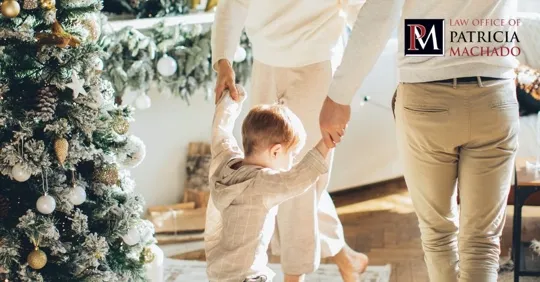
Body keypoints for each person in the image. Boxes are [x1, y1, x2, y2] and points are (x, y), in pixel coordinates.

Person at [321, 0, 519, 281]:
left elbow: (380, 13)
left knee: (438, 235)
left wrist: (339, 95)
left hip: (426, 91)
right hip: (494, 93)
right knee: (482, 243)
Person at [210, 1, 369, 281]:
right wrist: (223, 61)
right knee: (265, 172)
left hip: (316, 66)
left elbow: (364, 14)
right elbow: (233, 4)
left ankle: (295, 276)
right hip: (265, 64)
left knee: (299, 183)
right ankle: (345, 256)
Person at [205, 86, 333, 282]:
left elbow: (220, 134)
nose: (292, 162)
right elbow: (297, 179)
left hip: (219, 272)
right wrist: (326, 143)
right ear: (275, 151)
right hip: (245, 277)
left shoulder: (226, 163)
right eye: (292, 155)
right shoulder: (262, 184)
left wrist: (230, 102)